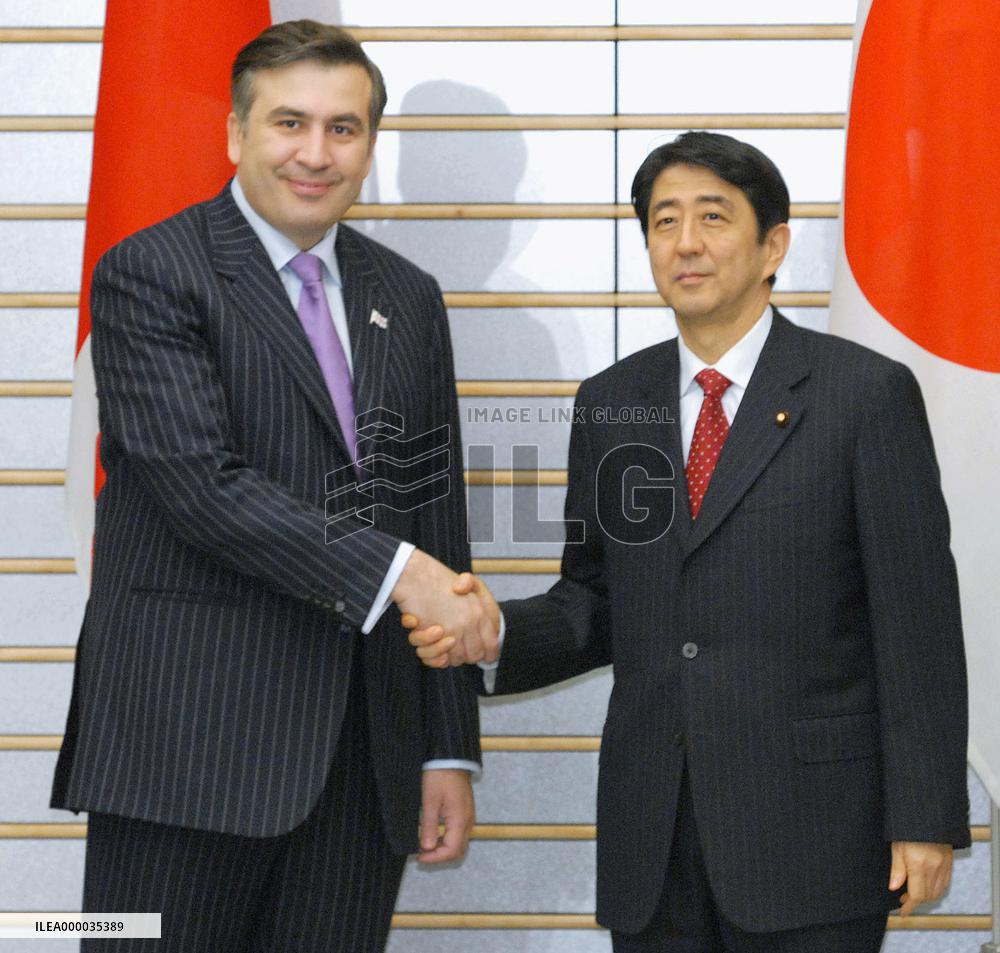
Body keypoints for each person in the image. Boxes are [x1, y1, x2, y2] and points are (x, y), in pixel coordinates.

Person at [407, 132, 970, 952]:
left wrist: (923, 818)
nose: (687, 242)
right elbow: (595, 595)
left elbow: (916, 623)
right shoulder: (613, 403)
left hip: (814, 837)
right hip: (655, 834)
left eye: (714, 217)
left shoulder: (864, 395)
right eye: (664, 221)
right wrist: (497, 635)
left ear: (773, 243)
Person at [51, 20, 497, 953]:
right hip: (182, 749)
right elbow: (202, 489)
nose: (315, 152)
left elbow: (433, 515)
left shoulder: (407, 295)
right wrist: (401, 576)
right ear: (234, 134)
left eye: (344, 129)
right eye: (289, 122)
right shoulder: (149, 272)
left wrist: (445, 744)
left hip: (360, 760)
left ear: (370, 145)